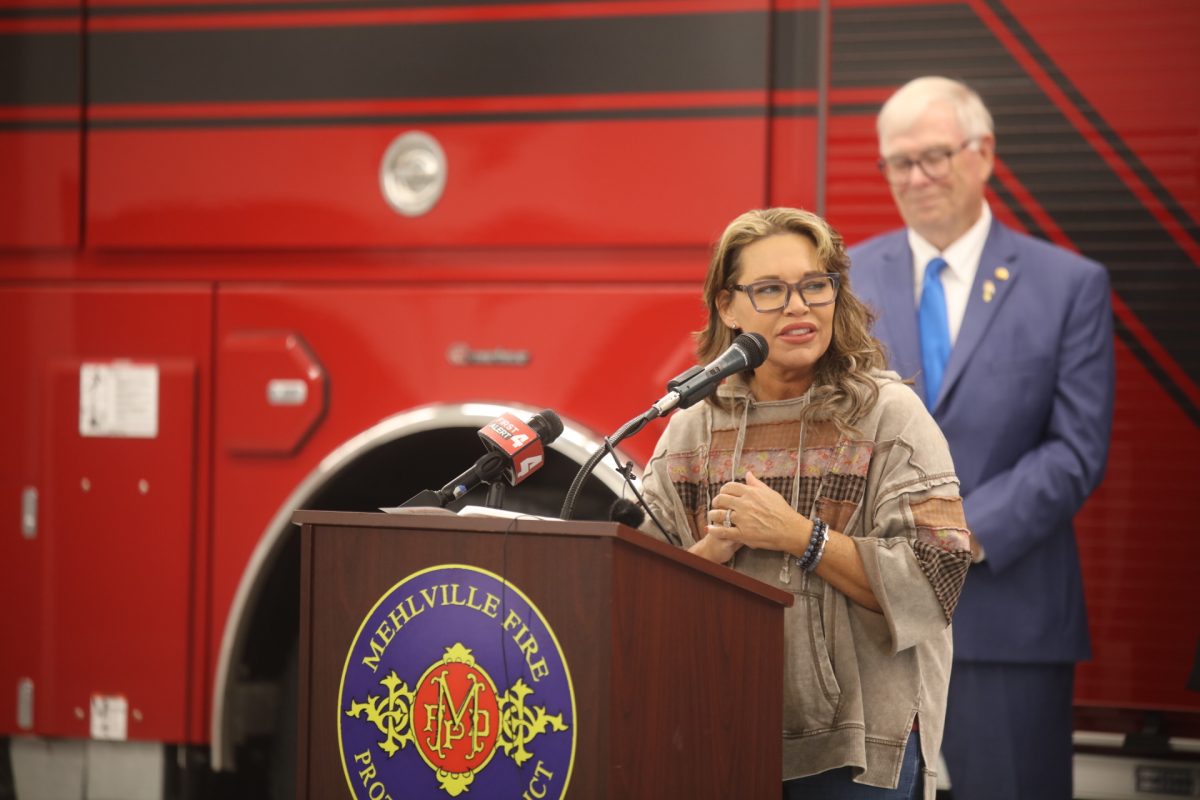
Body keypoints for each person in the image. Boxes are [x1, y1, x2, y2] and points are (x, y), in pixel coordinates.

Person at [639, 207, 973, 799]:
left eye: (814, 285)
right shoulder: (690, 430)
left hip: (856, 755)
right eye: (770, 290)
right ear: (726, 306)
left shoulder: (890, 418)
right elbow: (637, 598)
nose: (799, 306)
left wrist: (803, 537)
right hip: (718, 738)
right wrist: (708, 554)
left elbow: (937, 577)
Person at [848, 76, 1115, 799]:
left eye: (934, 155)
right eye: (898, 162)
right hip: (870, 623)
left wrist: (959, 532)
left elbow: (1076, 450)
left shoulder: (1070, 285)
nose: (917, 177)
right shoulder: (843, 282)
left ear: (983, 153)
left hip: (1010, 620)